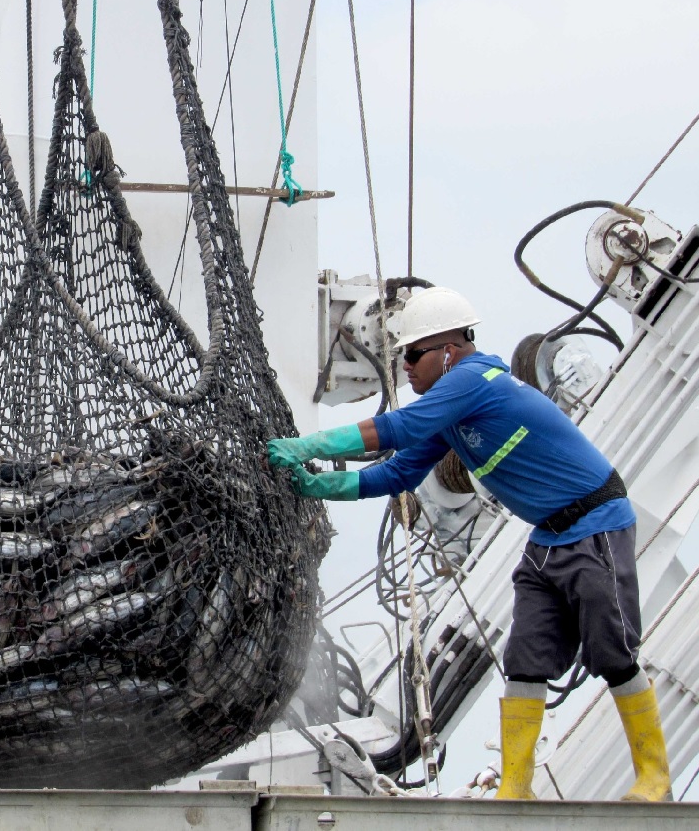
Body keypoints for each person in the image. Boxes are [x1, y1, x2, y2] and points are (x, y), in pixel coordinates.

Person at [267, 286, 671, 802]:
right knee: (525, 659)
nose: (405, 368)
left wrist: (312, 445)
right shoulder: (453, 413)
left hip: (595, 525)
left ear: (448, 351)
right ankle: (517, 788)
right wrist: (321, 485)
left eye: (411, 355)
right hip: (547, 537)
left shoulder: (474, 381)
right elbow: (401, 472)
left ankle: (654, 777)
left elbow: (398, 428)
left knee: (614, 652)